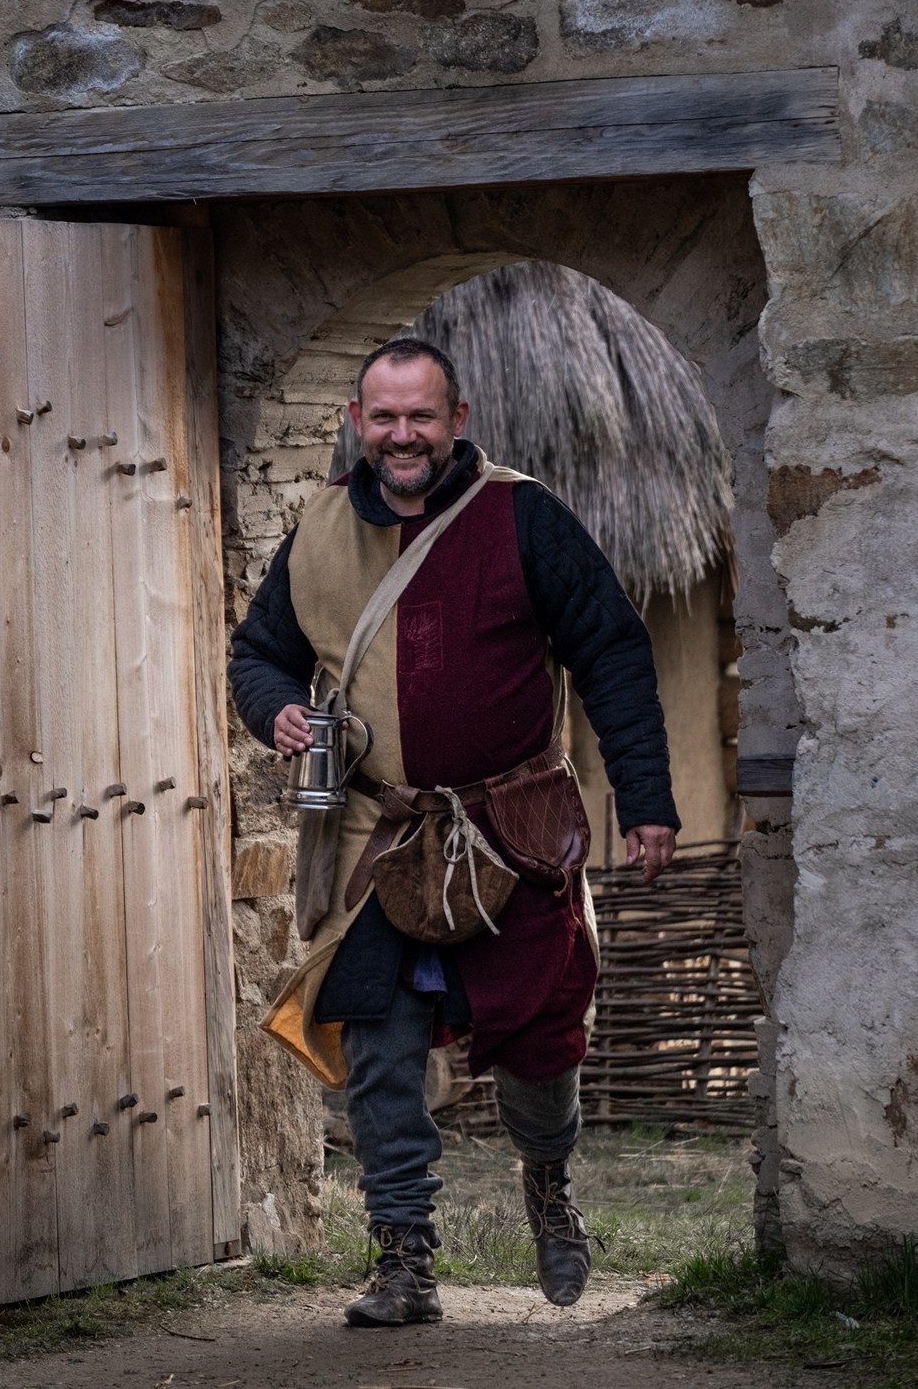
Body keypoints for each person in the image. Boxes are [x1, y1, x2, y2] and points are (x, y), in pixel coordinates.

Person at [229, 337, 678, 1328]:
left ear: (456, 419)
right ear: (358, 421)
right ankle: (403, 1263)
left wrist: (645, 799)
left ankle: (548, 1185)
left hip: (511, 832)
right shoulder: (316, 531)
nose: (403, 436)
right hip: (376, 834)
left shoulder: (523, 516)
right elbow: (258, 653)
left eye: (420, 416)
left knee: (541, 1040)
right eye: (384, 417)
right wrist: (277, 711)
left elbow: (610, 650)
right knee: (380, 1048)